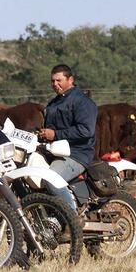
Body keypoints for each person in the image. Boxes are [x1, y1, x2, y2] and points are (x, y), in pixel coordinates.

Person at [39, 64, 97, 212]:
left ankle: (72, 219)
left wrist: (56, 135)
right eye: (52, 81)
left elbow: (86, 130)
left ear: (70, 80)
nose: (55, 84)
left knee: (50, 179)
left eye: (59, 80)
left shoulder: (82, 101)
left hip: (76, 154)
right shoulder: (55, 102)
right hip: (55, 151)